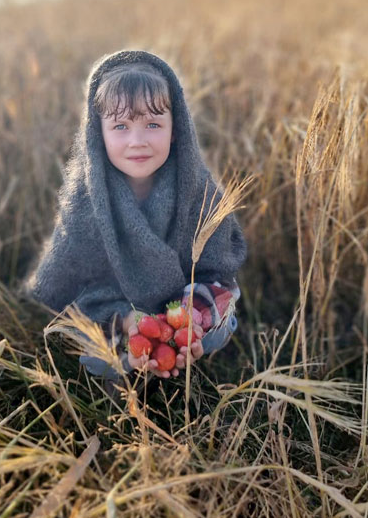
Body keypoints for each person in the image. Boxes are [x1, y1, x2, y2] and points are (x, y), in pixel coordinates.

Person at [23, 50, 246, 382]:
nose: (137, 141)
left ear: (176, 128)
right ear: (98, 133)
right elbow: (70, 287)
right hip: (123, 320)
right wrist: (126, 322)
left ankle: (187, 359)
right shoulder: (86, 201)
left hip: (183, 317)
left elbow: (220, 269)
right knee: (93, 355)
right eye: (121, 126)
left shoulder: (198, 189)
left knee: (217, 327)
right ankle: (130, 370)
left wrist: (192, 317)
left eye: (153, 124)